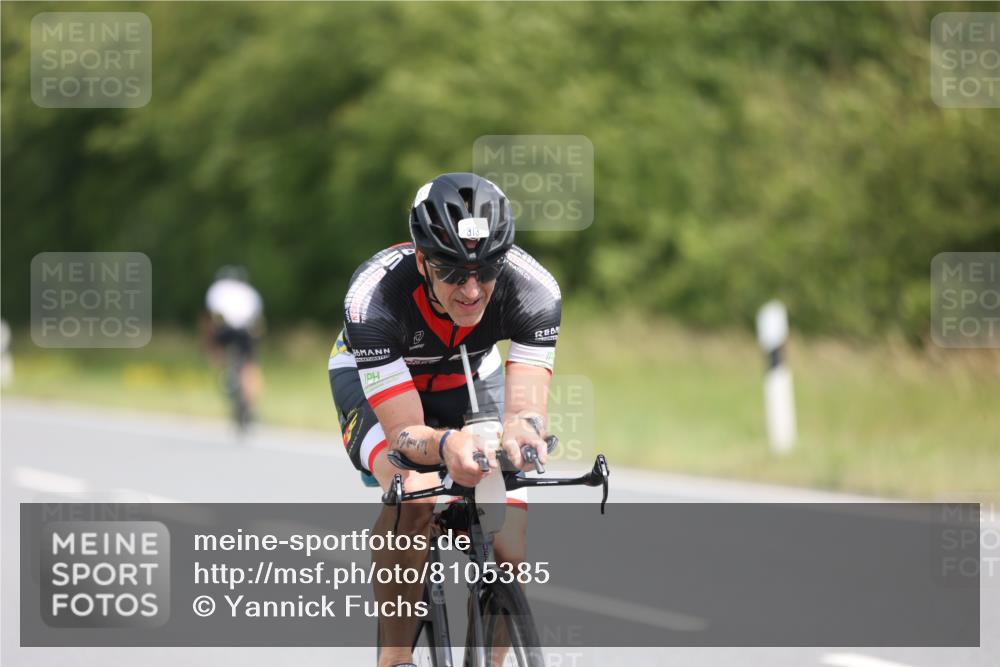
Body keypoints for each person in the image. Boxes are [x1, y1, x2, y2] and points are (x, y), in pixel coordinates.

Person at [329, 173, 561, 667]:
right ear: (421, 260)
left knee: (509, 544)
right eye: (452, 272)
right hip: (379, 382)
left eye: (487, 270)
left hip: (468, 373)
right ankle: (395, 657)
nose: (472, 290)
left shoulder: (535, 291)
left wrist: (523, 432)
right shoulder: (374, 298)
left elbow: (526, 411)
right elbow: (405, 434)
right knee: (414, 492)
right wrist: (447, 446)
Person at [202, 266, 265, 419]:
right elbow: (258, 321)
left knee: (216, 345)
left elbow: (211, 317)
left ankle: (223, 371)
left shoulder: (217, 288)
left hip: (226, 329)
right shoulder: (250, 292)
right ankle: (251, 402)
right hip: (246, 330)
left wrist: (209, 344)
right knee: (250, 365)